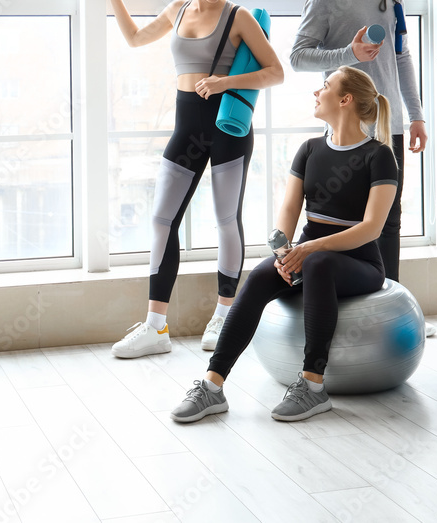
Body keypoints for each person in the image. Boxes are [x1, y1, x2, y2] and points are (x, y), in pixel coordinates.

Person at [170, 67, 397, 423]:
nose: (316, 93)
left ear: (345, 99)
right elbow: (290, 209)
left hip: (360, 263)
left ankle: (313, 386)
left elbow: (371, 228)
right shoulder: (310, 149)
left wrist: (309, 250)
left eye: (324, 86)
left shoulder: (379, 155)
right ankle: (211, 386)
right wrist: (283, 253)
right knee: (261, 275)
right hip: (309, 255)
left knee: (319, 264)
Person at [97, 0, 284, 357]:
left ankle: (223, 315)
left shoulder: (238, 18)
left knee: (224, 219)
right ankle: (155, 328)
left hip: (227, 128)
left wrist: (223, 83)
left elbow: (276, 72)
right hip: (187, 127)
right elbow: (132, 38)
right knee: (163, 219)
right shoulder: (177, 11)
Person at [290, 0, 435, 336]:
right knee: (348, 221)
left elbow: (403, 59)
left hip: (387, 130)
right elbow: (299, 57)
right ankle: (338, 306)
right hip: (346, 136)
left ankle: (393, 311)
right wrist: (347, 53)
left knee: (389, 222)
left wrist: (417, 115)